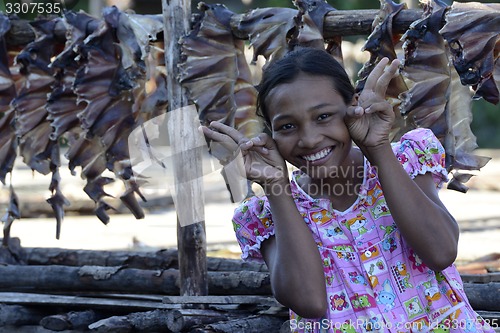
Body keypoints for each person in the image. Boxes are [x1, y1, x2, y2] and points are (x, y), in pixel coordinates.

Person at [200, 47, 494, 333]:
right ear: (271, 135)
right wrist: (276, 187)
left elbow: (441, 252)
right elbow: (309, 302)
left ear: (352, 107)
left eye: (323, 116)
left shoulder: (405, 160)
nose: (310, 139)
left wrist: (377, 148)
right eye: (287, 126)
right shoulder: (266, 215)